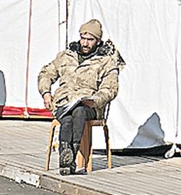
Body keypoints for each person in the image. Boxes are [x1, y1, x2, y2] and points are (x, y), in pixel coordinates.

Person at [36, 19, 123, 175]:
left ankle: (70, 156)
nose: (85, 43)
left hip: (89, 107)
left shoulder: (106, 62)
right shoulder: (65, 56)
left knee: (79, 111)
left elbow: (110, 88)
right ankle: (67, 159)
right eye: (83, 38)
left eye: (90, 40)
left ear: (98, 41)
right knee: (68, 118)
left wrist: (95, 100)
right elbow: (46, 73)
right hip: (64, 104)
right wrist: (46, 93)